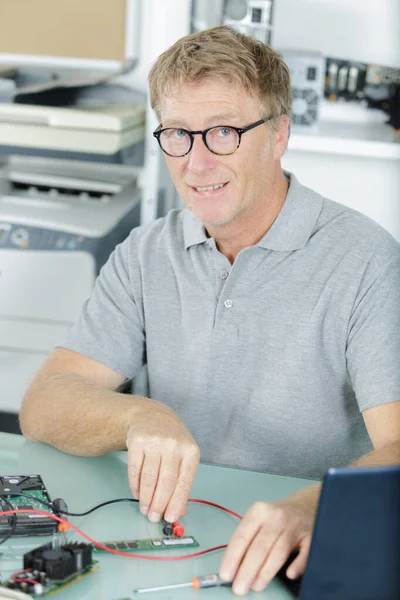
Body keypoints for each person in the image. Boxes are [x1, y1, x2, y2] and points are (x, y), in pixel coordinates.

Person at [20, 26, 400, 595]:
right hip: (169, 545)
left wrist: (310, 507)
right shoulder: (146, 252)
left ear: (278, 135)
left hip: (290, 556)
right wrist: (138, 416)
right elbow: (43, 403)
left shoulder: (367, 261)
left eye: (224, 132)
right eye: (177, 133)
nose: (196, 163)